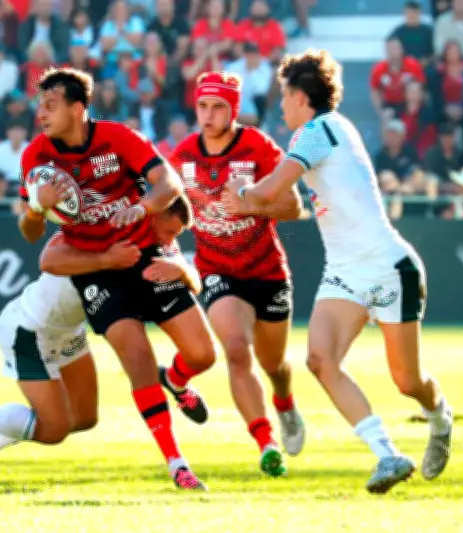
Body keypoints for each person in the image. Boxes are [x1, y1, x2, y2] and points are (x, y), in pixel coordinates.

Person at [222, 49, 454, 494]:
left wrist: (241, 193)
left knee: (408, 381)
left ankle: (439, 414)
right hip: (345, 269)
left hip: (387, 266)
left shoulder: (318, 131)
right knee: (319, 360)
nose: (281, 105)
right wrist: (251, 198)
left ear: (300, 96)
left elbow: (272, 190)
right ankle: (387, 454)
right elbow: (282, 202)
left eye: (284, 96)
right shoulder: (325, 131)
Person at [16, 67, 217, 490]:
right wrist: (37, 208)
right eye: (39, 105)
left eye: (50, 105)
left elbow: (171, 183)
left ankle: (177, 379)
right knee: (137, 358)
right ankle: (176, 462)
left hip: (146, 253)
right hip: (98, 269)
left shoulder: (118, 137)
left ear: (77, 107)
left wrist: (142, 208)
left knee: (203, 354)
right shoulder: (36, 155)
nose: (41, 113)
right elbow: (31, 233)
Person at [0, 199, 199, 479]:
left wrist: (185, 271)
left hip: (68, 332)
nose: (169, 240)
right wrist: (105, 259)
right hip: (30, 329)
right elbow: (49, 258)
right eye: (169, 231)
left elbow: (192, 281)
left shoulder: (155, 245)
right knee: (54, 430)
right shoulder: (99, 227)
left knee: (85, 418)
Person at [168, 71, 305, 477]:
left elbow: (294, 207)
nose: (208, 115)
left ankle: (285, 404)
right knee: (235, 348)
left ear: (234, 110)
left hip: (267, 270)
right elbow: (165, 206)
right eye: (203, 106)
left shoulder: (256, 145)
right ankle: (266, 442)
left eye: (218, 107)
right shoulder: (183, 154)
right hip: (217, 272)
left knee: (275, 364)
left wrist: (251, 207)